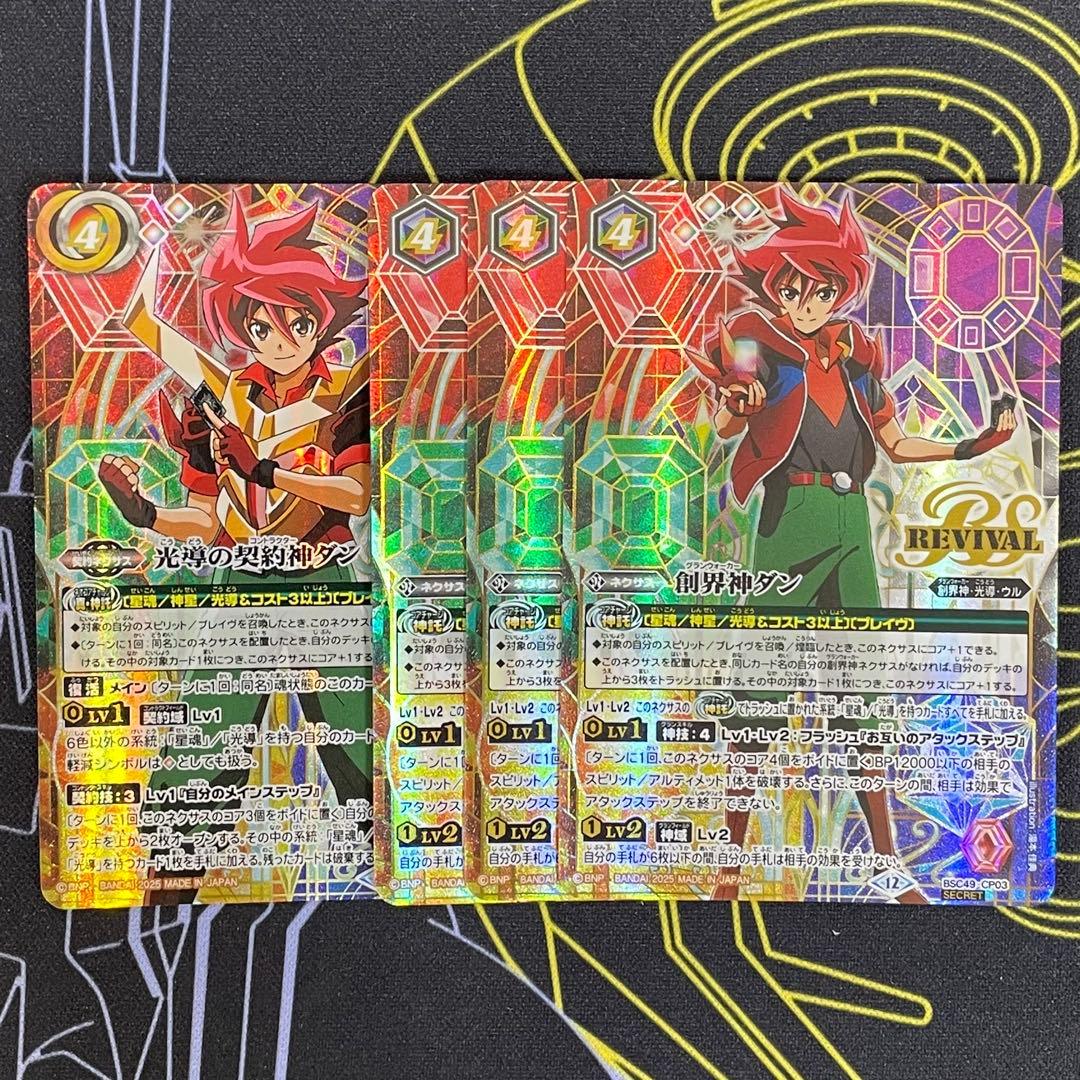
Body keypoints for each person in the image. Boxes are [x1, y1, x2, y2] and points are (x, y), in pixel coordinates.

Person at [710, 189, 1016, 902]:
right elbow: (730, 413)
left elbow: (897, 443)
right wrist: (737, 401)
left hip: (850, 524)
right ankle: (727, 864)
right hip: (787, 519)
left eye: (819, 290)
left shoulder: (856, 362)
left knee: (864, 697)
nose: (804, 302)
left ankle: (886, 863)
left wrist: (971, 446)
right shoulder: (755, 340)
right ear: (775, 285)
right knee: (760, 693)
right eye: (792, 287)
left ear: (840, 292)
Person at [97, 198, 372, 902]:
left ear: (321, 320)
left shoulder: (344, 397)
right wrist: (146, 514)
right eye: (260, 326)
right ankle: (164, 893)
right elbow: (206, 522)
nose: (279, 340)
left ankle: (389, 874)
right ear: (242, 327)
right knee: (200, 755)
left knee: (356, 746)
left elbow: (354, 496)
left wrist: (267, 471)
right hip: (242, 588)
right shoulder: (223, 402)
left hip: (323, 588)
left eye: (296, 322)